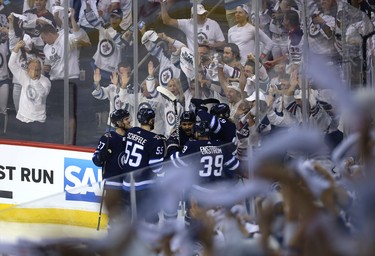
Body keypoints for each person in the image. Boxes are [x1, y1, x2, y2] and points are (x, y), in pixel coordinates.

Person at [122, 108, 165, 223]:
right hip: (144, 185)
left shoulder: (131, 132)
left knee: (130, 217)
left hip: (127, 184)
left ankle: (129, 240)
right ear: (151, 121)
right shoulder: (155, 140)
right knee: (151, 218)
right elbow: (156, 166)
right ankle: (150, 240)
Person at [92, 109, 132, 221]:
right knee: (115, 214)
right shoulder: (108, 138)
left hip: (128, 181)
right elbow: (95, 160)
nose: (130, 121)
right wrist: (101, 156)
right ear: (119, 123)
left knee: (127, 214)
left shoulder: (132, 136)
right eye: (126, 119)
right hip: (113, 181)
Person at [8, 40, 51, 139]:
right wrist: (16, 48)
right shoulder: (24, 76)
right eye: (32, 69)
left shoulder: (46, 81)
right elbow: (11, 65)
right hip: (22, 118)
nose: (35, 71)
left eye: (37, 69)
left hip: (38, 121)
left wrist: (35, 79)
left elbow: (43, 94)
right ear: (27, 70)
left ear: (41, 70)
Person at [161, 2, 225, 52]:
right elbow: (167, 21)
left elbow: (222, 42)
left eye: (204, 14)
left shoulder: (213, 23)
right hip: (194, 59)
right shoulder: (187, 23)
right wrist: (163, 6)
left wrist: (212, 45)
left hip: (210, 58)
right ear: (193, 16)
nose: (203, 16)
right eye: (200, 15)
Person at [92, 62, 134, 131]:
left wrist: (119, 86)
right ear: (118, 73)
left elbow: (127, 99)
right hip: (112, 126)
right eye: (122, 73)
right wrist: (96, 83)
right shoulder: (112, 87)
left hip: (128, 126)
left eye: (128, 73)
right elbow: (99, 94)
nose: (125, 75)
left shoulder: (135, 88)